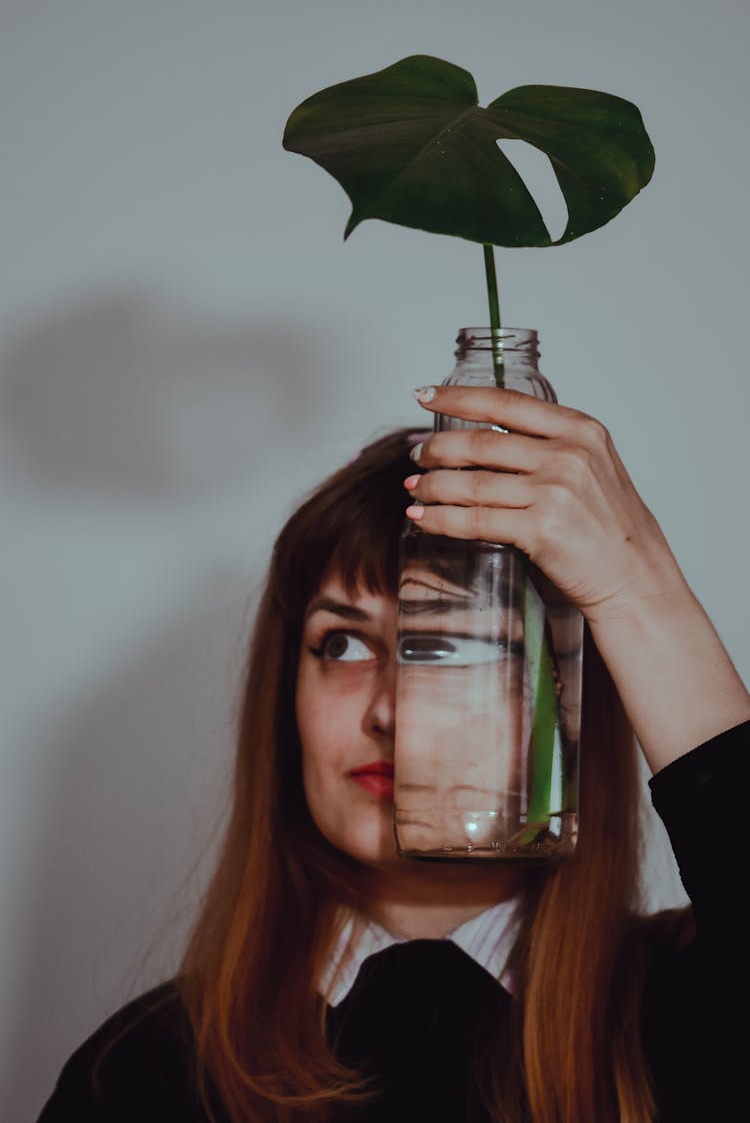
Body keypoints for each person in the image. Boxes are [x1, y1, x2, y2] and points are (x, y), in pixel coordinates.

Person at [37, 384, 750, 1122]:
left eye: (462, 646)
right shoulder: (136, 1076)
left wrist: (638, 588)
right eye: (342, 644)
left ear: (564, 703)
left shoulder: (695, 1011)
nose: (392, 711)